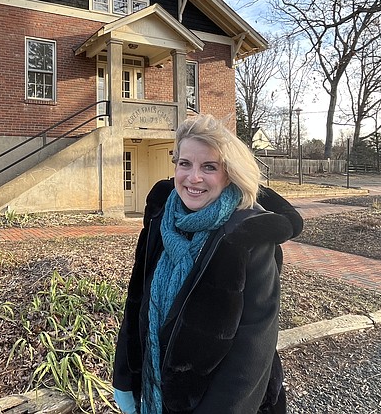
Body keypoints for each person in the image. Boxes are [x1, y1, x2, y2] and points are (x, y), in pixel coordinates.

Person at [112, 114, 303, 414]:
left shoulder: (248, 236)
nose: (193, 178)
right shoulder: (161, 222)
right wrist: (125, 378)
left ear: (229, 173)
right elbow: (137, 302)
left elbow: (252, 349)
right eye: (184, 163)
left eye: (209, 167)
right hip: (158, 397)